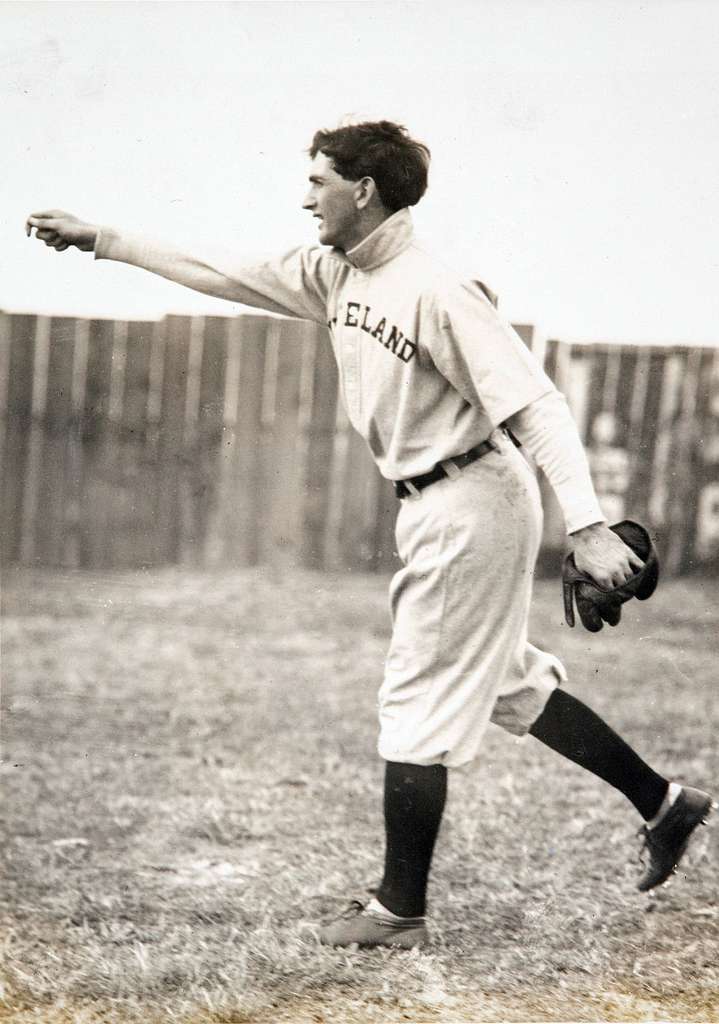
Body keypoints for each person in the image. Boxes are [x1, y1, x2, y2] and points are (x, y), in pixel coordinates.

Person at [26, 120, 713, 950]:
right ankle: (664, 804)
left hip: (473, 494)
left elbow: (536, 405)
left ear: (365, 190)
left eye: (318, 180)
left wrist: (589, 525)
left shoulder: (435, 290)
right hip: (435, 500)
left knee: (418, 694)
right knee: (502, 682)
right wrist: (104, 238)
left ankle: (398, 910)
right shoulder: (333, 275)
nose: (305, 194)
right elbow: (219, 270)